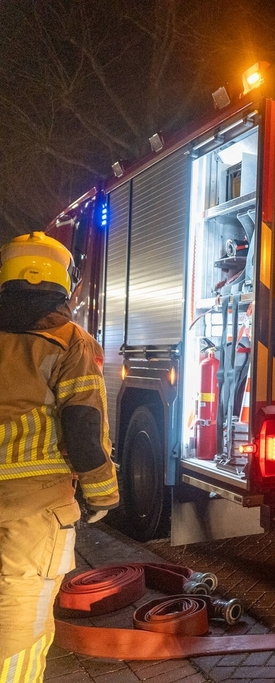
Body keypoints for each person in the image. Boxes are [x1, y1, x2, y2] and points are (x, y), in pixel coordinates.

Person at [0, 233, 119, 680]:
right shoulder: (70, 342)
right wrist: (103, 495)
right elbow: (84, 431)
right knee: (18, 632)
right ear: (65, 284)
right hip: (33, 515)